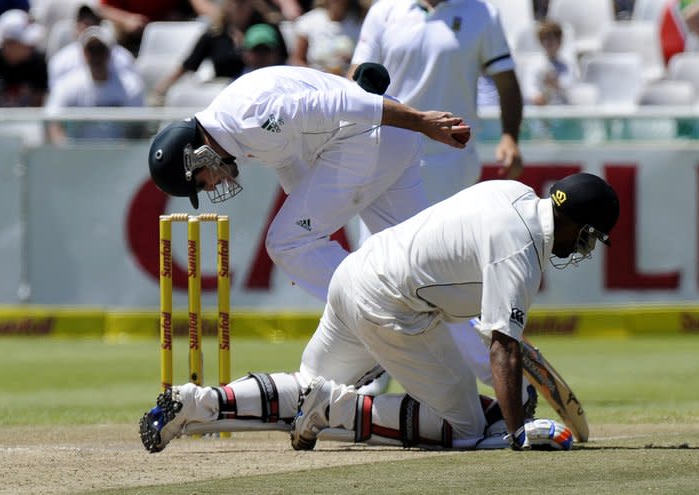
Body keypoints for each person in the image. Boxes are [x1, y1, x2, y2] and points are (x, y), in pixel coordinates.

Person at [139, 172, 619, 453]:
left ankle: (194, 402)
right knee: (467, 432)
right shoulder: (522, 252)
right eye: (588, 237)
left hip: (356, 274)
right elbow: (503, 350)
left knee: (302, 388)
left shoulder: (512, 192)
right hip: (395, 307)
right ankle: (338, 407)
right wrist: (516, 435)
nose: (583, 247)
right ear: (576, 223)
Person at [147, 64, 470, 302]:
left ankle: (377, 307)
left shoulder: (248, 119)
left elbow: (338, 104)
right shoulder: (234, 130)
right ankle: (495, 356)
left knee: (285, 242)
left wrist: (422, 121)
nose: (212, 188)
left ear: (197, 157)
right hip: (385, 139)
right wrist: (309, 244)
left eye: (201, 184)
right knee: (421, 268)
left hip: (371, 136)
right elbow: (291, 169)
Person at [347, 0, 524, 205]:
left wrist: (510, 137)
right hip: (385, 153)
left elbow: (506, 81)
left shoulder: (482, 13)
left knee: (451, 237)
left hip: (452, 159)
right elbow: (356, 76)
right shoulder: (383, 10)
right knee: (381, 238)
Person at [151, 0, 278, 103]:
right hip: (224, 94)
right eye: (235, 1)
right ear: (226, 4)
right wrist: (161, 89)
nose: (239, 6)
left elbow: (283, 60)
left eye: (243, 1)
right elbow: (189, 64)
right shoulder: (214, 34)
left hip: (262, 89)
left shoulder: (267, 30)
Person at [45, 26, 145, 143]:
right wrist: (65, 151)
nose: (96, 56)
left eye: (100, 50)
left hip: (119, 155)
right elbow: (53, 121)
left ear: (110, 53)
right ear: (84, 54)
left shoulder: (130, 87)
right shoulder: (67, 85)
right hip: (77, 157)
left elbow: (138, 127)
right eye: (91, 50)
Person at [47, 4, 136, 89]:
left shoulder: (123, 58)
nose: (86, 23)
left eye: (92, 18)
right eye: (81, 19)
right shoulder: (60, 61)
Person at [97, 0, 220, 56]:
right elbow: (102, 9)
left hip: (168, 33)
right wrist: (126, 19)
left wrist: (222, 20)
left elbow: (201, 4)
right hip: (130, 37)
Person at [0, 9, 46, 107]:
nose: (32, 47)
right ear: (8, 43)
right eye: (26, 44)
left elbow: (39, 104)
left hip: (28, 121)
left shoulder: (38, 63)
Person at [289, 0, 365, 76]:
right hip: (316, 80)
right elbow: (297, 59)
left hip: (349, 80)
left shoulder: (361, 23)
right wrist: (315, 76)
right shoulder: (308, 22)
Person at [525, 20, 577, 106]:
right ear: (541, 42)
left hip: (563, 111)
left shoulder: (567, 66)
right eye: (545, 38)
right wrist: (537, 97)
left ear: (560, 42)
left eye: (553, 38)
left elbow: (572, 89)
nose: (549, 42)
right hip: (541, 112)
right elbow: (529, 89)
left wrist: (557, 84)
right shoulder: (534, 66)